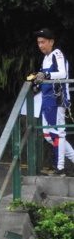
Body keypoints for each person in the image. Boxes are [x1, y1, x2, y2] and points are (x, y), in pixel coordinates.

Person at [31, 28, 74, 175]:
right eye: (38, 43)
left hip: (57, 98)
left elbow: (62, 73)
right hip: (47, 99)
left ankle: (60, 168)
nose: (41, 45)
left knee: (58, 133)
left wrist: (45, 74)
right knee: (48, 135)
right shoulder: (46, 58)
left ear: (51, 42)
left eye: (43, 42)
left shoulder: (57, 54)